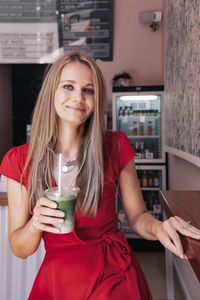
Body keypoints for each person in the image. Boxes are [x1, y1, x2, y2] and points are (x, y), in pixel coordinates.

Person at [0, 51, 200, 300]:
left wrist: (159, 228)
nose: (78, 98)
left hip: (114, 273)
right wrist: (35, 224)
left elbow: (138, 216)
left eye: (89, 90)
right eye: (68, 87)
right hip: (58, 279)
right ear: (51, 92)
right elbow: (20, 248)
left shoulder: (115, 147)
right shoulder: (19, 160)